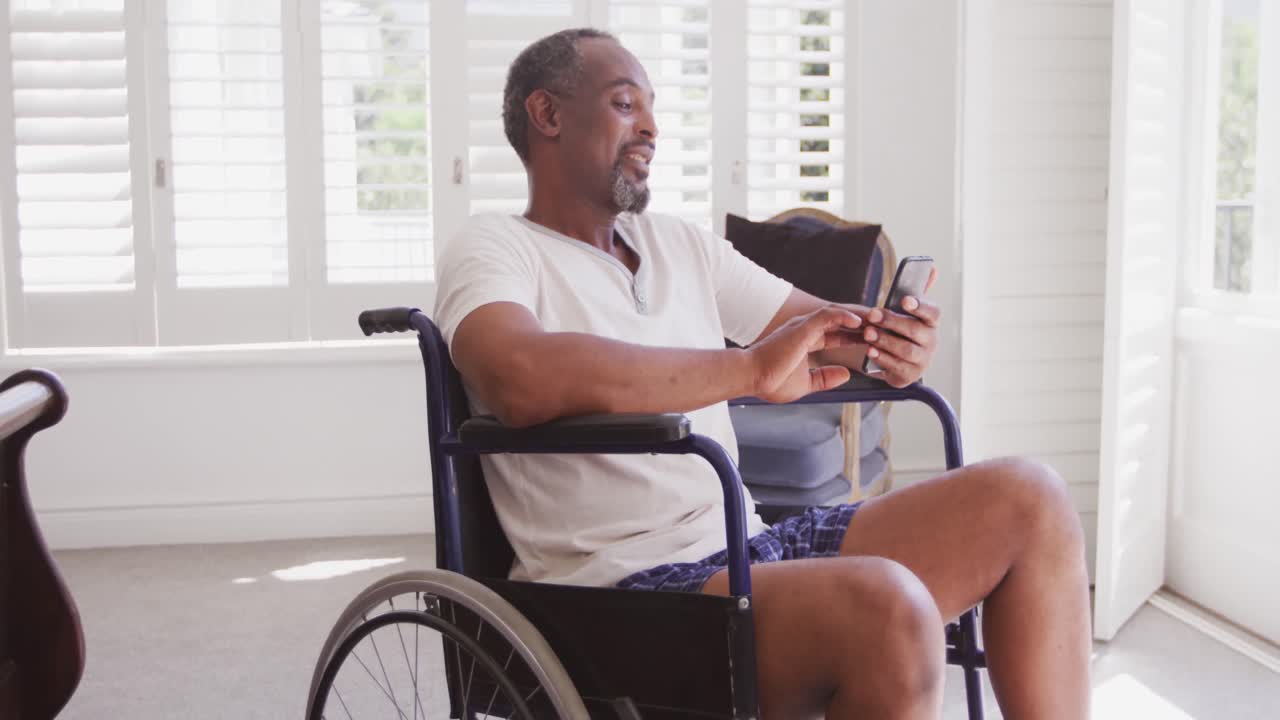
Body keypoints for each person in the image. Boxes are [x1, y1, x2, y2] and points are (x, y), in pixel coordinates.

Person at [433, 28, 1090, 720]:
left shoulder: (678, 243)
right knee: (888, 609)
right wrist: (746, 370)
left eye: (652, 108)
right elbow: (519, 378)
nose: (652, 127)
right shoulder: (495, 247)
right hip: (628, 591)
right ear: (548, 115)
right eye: (626, 103)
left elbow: (823, 332)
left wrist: (887, 343)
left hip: (751, 546)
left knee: (1031, 501)